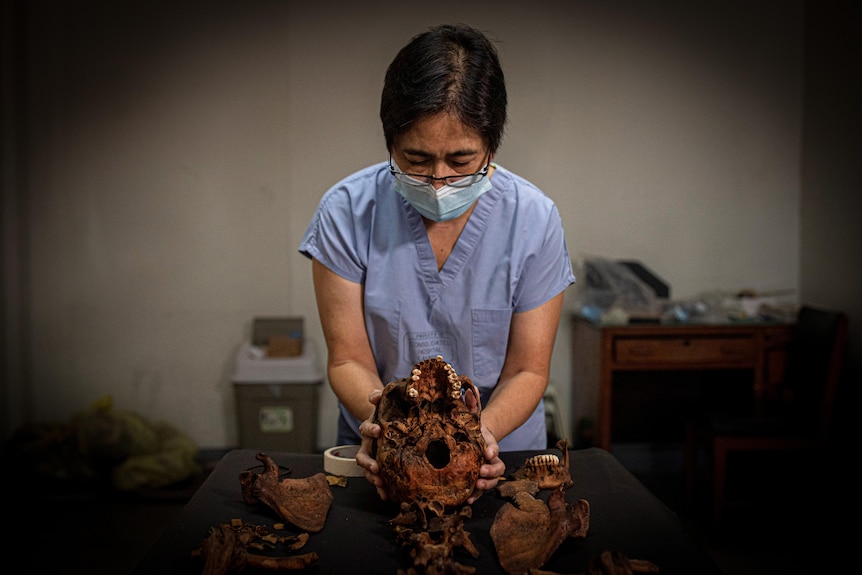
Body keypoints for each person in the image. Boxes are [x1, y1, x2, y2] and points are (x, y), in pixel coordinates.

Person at [298, 23, 574, 502]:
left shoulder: (532, 219)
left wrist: (478, 439)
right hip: (387, 453)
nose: (439, 180)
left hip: (499, 454)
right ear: (390, 142)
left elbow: (528, 370)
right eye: (416, 159)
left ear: (492, 144)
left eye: (462, 160)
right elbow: (348, 359)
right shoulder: (347, 211)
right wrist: (392, 431)